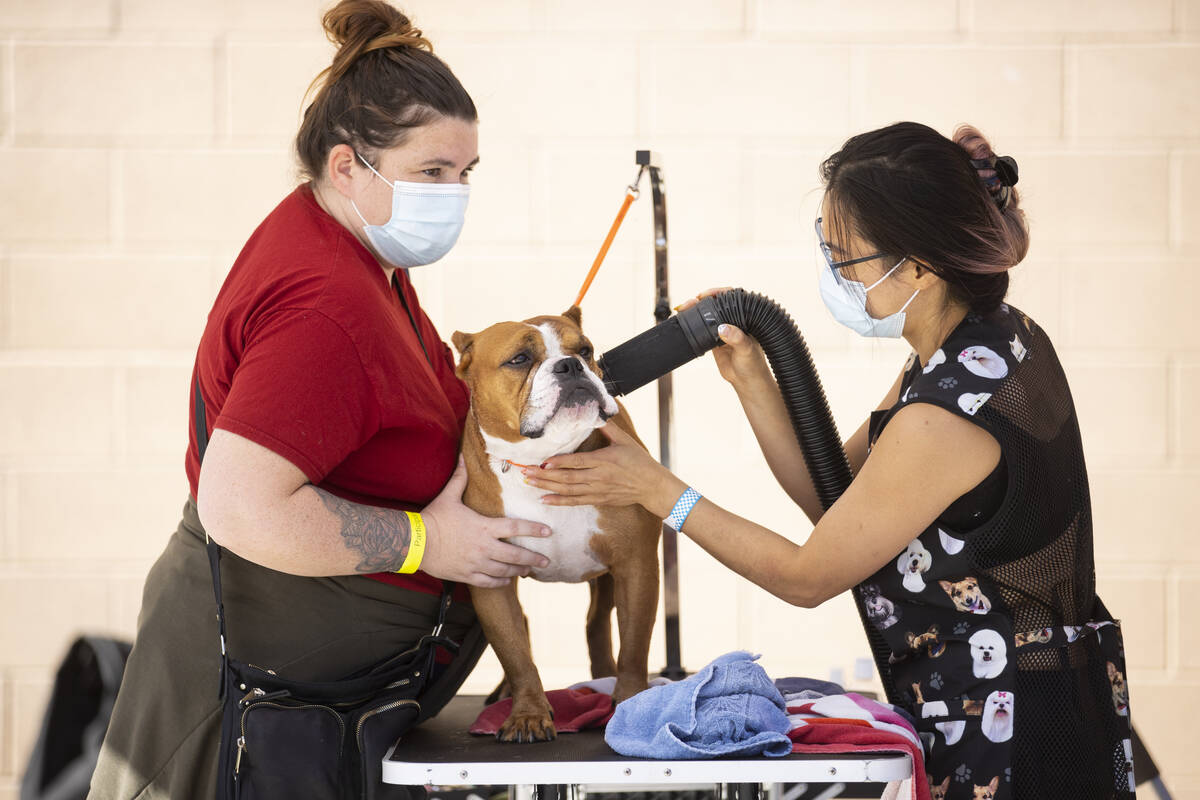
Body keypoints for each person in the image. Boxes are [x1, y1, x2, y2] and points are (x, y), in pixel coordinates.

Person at [524, 122, 1135, 799]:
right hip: (1007, 698)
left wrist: (659, 491)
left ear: (921, 268)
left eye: (847, 257)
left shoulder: (948, 411)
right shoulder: (980, 343)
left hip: (1015, 732)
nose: (834, 271)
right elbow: (840, 500)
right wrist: (753, 380)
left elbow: (806, 576)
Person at [88, 2, 553, 797]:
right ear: (348, 166)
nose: (454, 194)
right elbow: (243, 507)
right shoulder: (324, 306)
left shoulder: (364, 254)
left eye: (465, 172)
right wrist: (427, 545)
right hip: (239, 708)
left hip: (321, 704)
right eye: (432, 173)